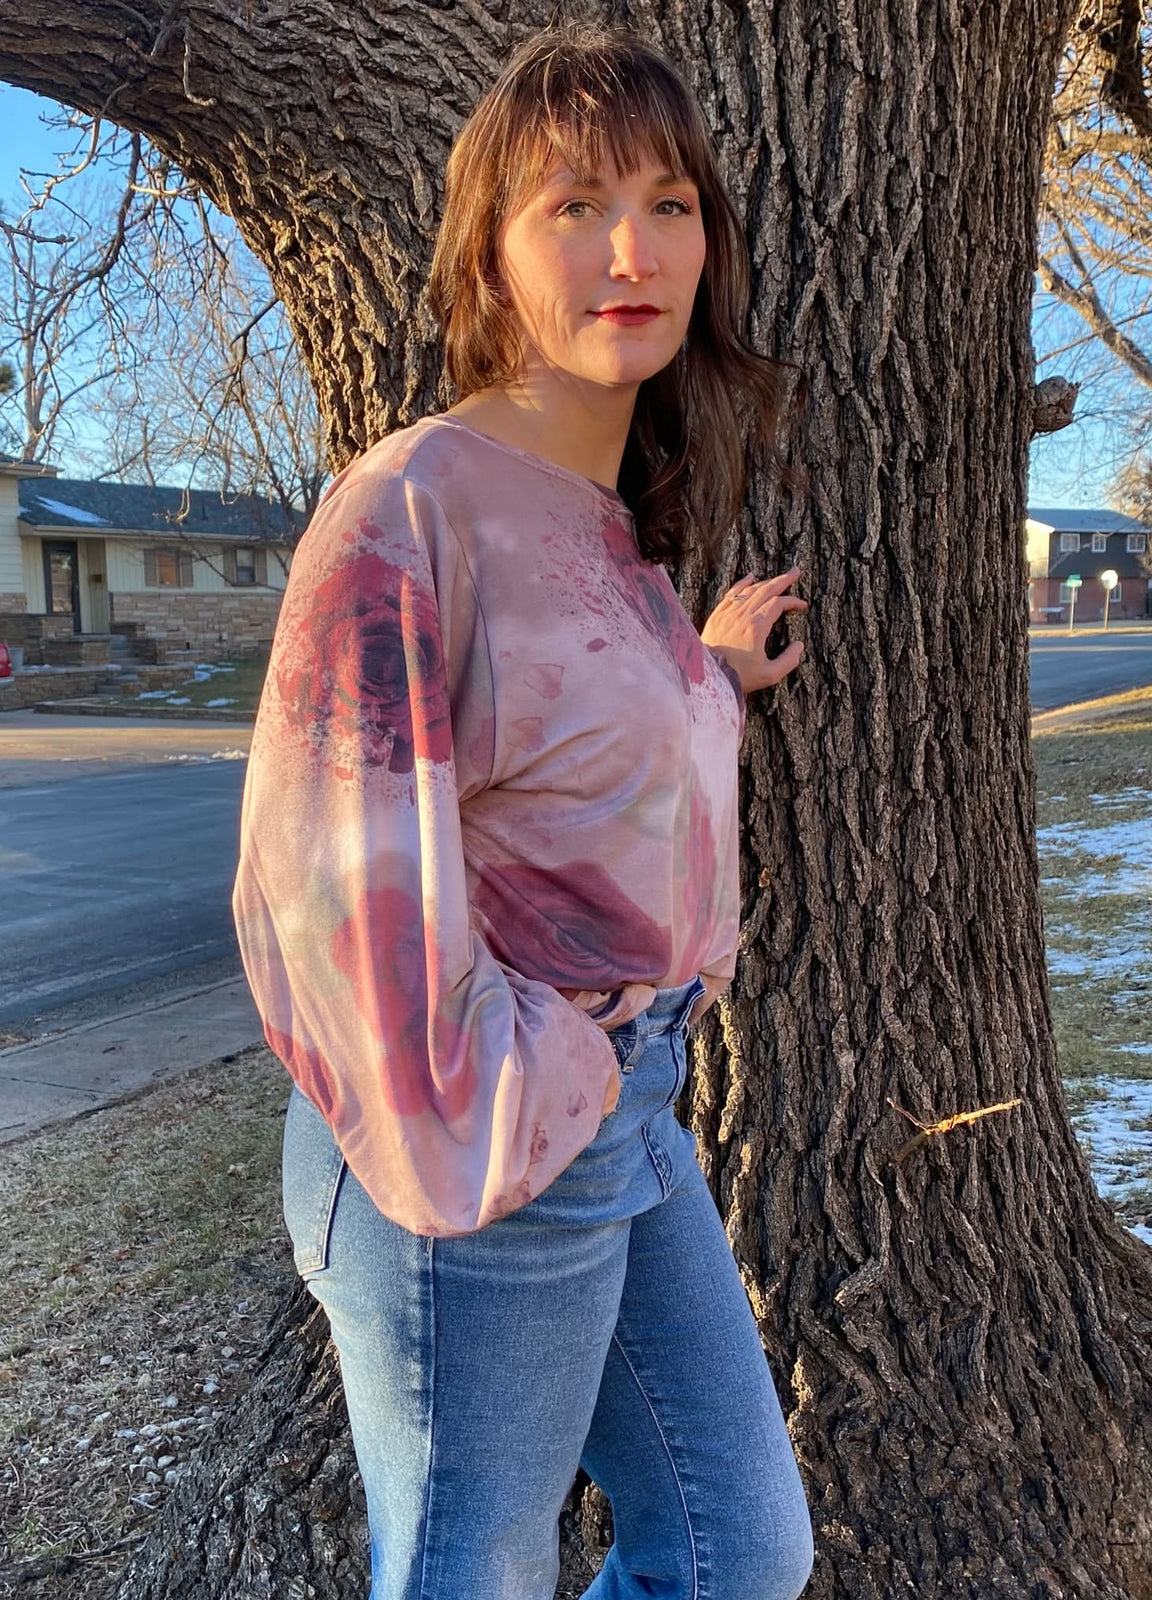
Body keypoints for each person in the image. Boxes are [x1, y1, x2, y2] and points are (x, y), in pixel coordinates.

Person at [232, 20, 814, 1600]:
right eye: (575, 206)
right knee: (468, 1573)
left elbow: (564, 750)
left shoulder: (606, 525)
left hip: (622, 1107)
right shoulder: (410, 505)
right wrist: (522, 1085)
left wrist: (701, 676)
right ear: (489, 258)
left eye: (669, 203)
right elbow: (325, 879)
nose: (634, 250)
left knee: (739, 1548)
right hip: (471, 1123)